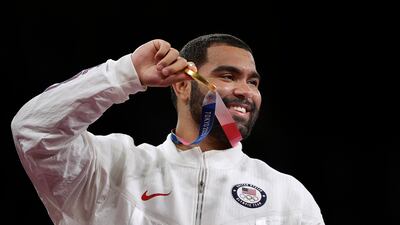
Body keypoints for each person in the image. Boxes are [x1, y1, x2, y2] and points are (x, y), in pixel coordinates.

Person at [11, 33, 325, 225]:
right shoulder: (110, 168)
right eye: (228, 76)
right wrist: (126, 74)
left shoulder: (288, 196)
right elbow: (34, 129)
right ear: (183, 85)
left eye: (253, 81)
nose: (246, 91)